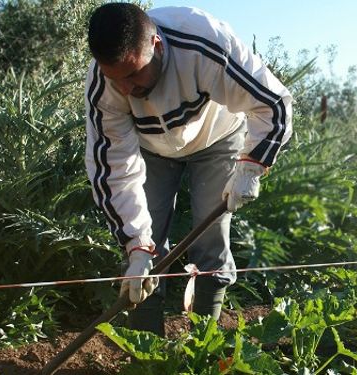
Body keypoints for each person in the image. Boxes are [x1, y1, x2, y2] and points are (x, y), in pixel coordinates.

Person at [84, 3, 292, 335]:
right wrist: (136, 247)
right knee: (144, 253)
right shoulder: (103, 87)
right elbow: (113, 169)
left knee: (211, 238)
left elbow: (274, 104)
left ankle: (203, 350)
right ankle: (147, 356)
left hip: (217, 137)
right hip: (151, 148)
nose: (126, 89)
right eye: (116, 78)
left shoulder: (204, 43)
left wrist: (252, 165)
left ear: (156, 45)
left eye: (134, 74)